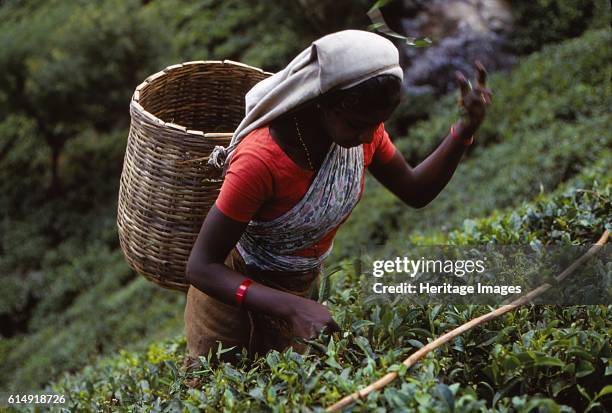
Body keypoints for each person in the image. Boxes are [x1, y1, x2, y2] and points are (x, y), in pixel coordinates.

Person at [183, 30, 491, 368]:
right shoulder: (261, 159)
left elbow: (415, 190)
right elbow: (202, 266)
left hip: (298, 292)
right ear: (324, 102)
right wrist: (291, 306)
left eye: (376, 124)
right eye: (357, 124)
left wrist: (462, 131)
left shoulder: (365, 133)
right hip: (230, 302)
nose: (366, 136)